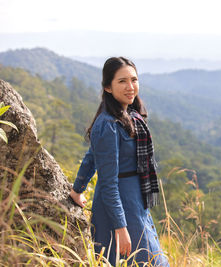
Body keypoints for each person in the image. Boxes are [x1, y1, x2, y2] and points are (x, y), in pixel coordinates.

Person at [69, 57, 169, 266]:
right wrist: (121, 228)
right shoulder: (107, 125)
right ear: (107, 87)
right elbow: (107, 182)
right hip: (120, 207)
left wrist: (77, 190)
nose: (130, 87)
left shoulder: (129, 116)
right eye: (122, 81)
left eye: (134, 79)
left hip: (135, 201)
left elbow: (91, 156)